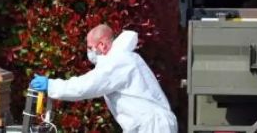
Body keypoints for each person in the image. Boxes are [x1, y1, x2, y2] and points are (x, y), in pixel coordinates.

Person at [28, 24, 177, 132]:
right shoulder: (125, 58)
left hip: (152, 126)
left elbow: (85, 87)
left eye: (90, 47)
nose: (89, 53)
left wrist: (52, 85)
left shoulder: (118, 61)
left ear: (102, 45)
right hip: (150, 124)